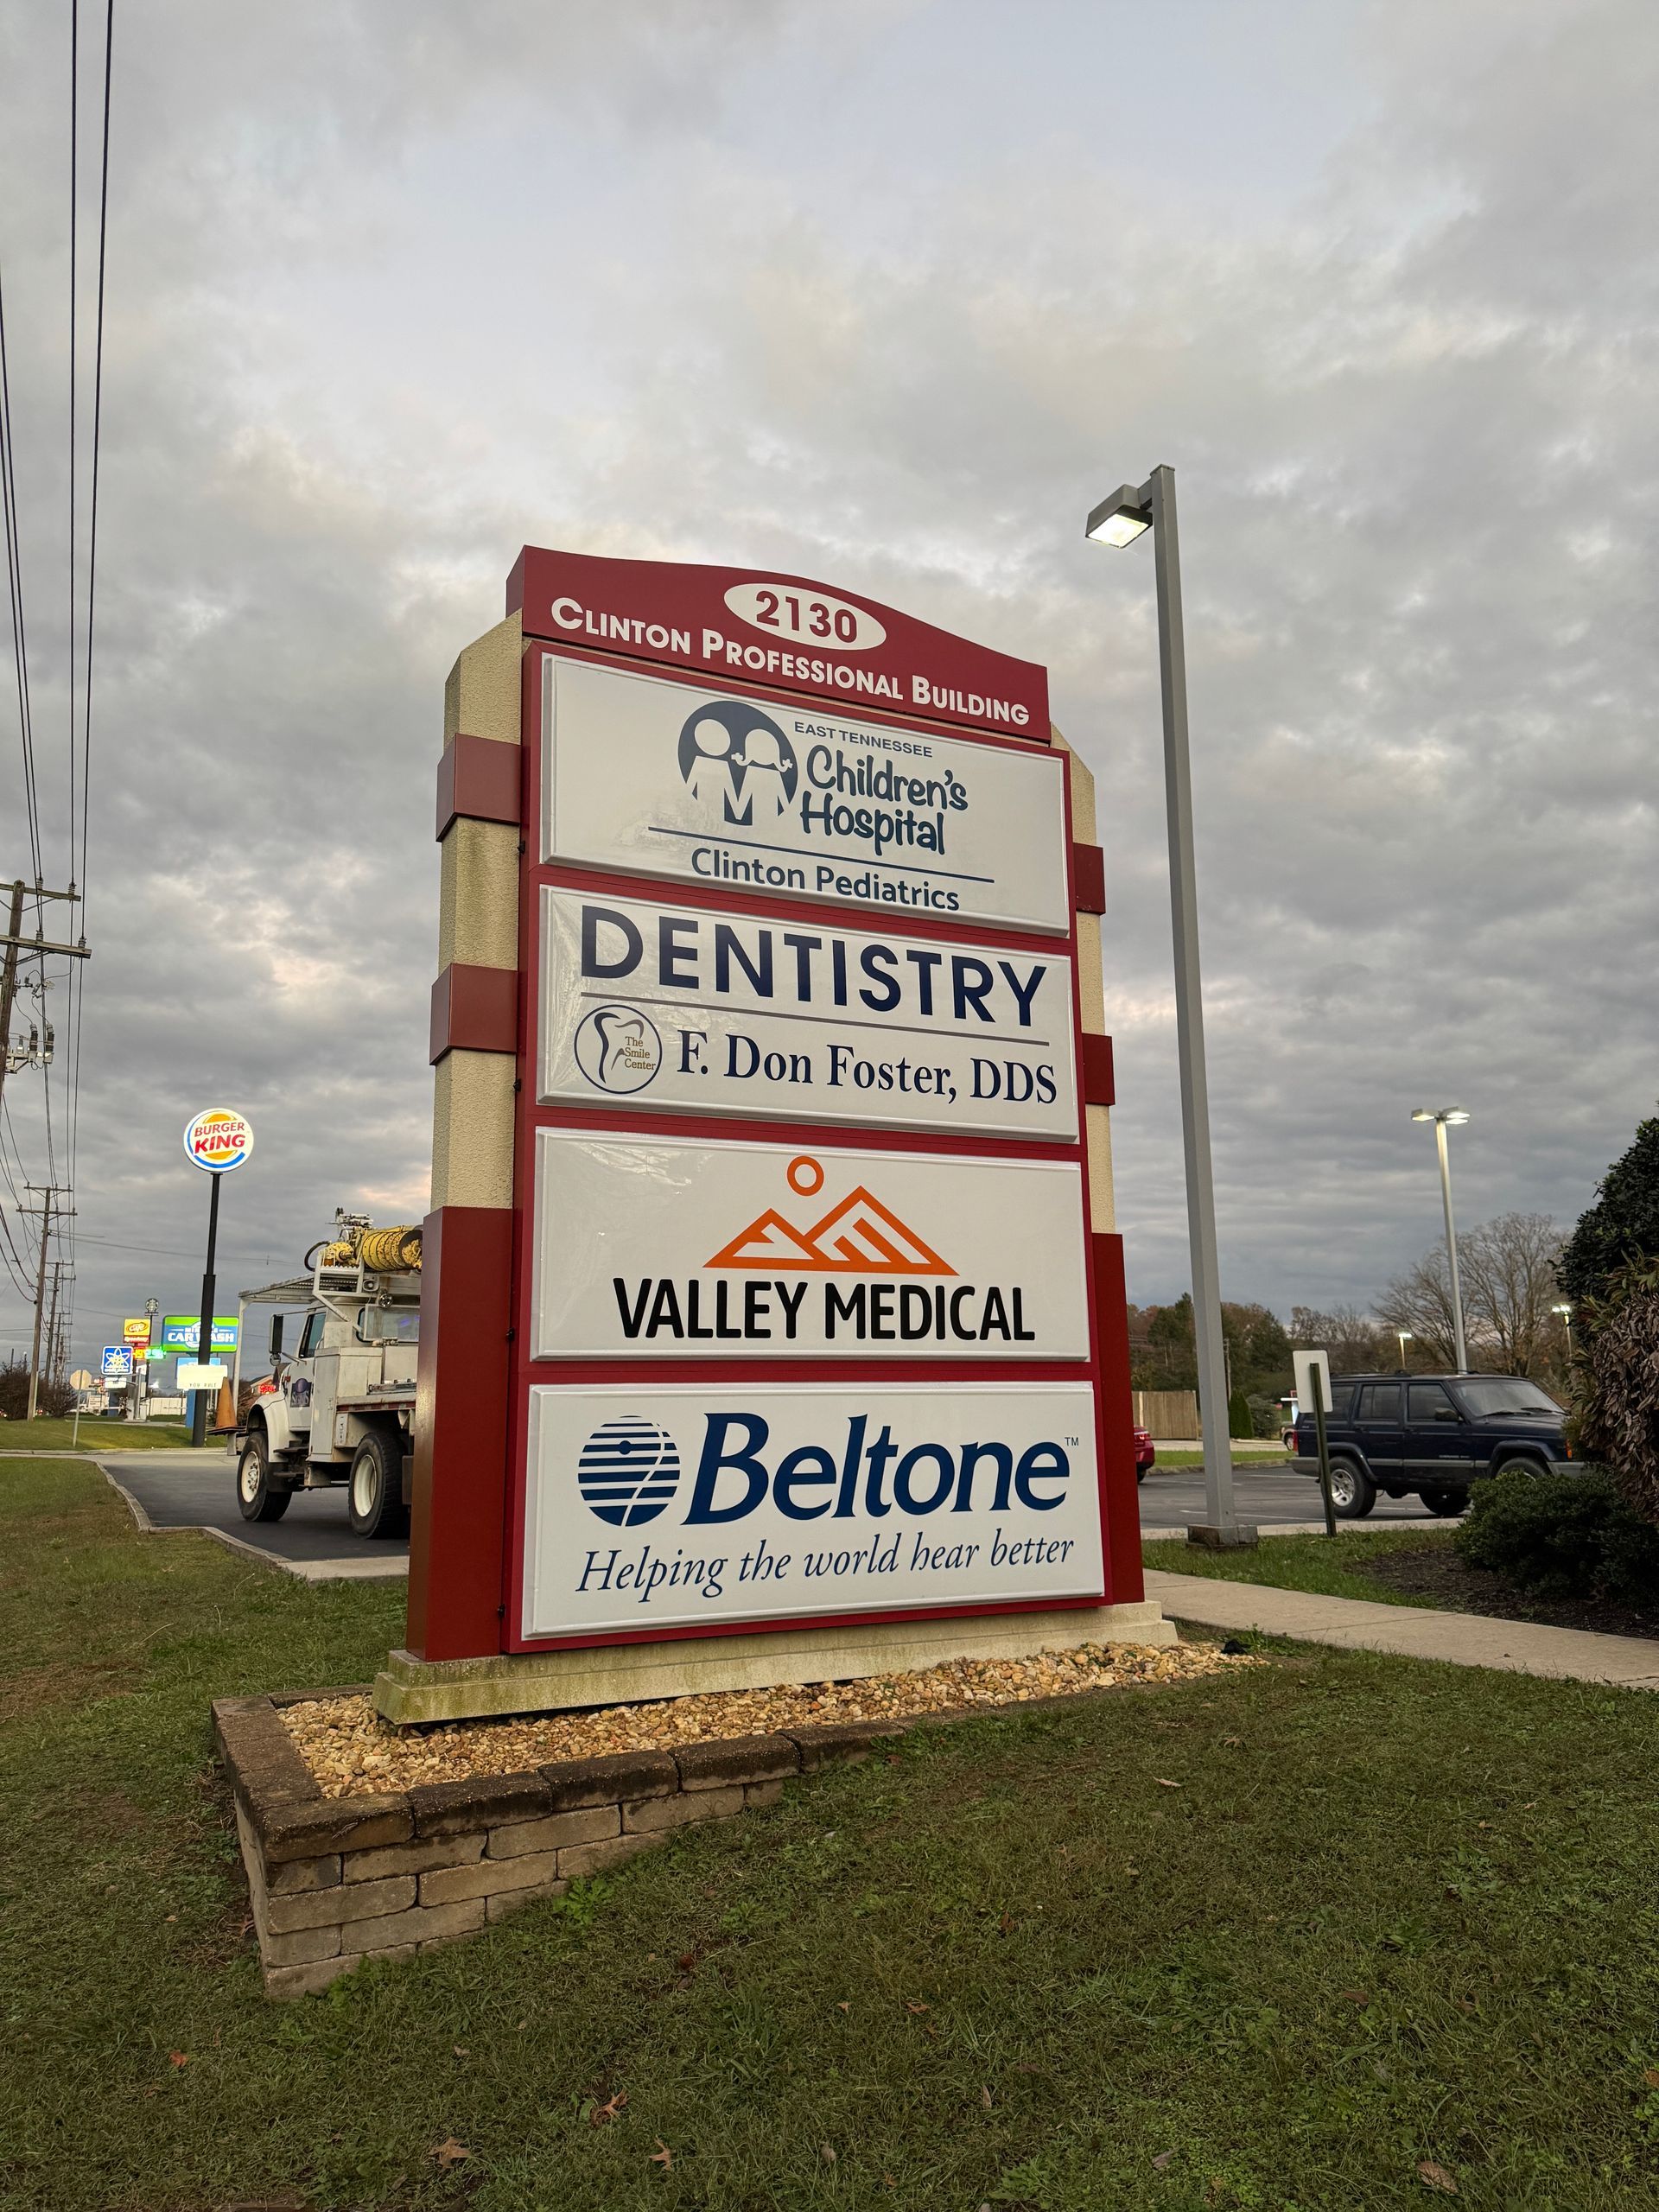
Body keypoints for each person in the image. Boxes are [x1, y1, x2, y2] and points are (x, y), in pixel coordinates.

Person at [685, 719, 741, 820]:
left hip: (713, 815)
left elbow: (733, 801)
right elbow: (688, 791)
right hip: (702, 813)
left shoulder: (723, 767)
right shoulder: (700, 762)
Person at [738, 727, 790, 825]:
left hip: (766, 826)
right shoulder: (775, 774)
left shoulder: (752, 773)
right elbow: (787, 808)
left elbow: (740, 808)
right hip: (769, 825)